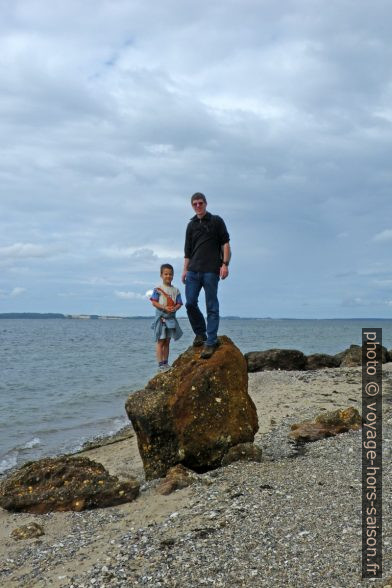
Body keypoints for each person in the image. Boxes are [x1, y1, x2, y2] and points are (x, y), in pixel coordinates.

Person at [182, 192, 231, 359]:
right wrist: (184, 270)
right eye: (195, 204)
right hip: (193, 271)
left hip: (211, 270)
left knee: (211, 307)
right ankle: (200, 333)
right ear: (192, 205)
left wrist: (225, 264)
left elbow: (225, 243)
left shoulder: (216, 221)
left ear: (206, 203)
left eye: (200, 203)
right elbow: (187, 251)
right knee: (189, 303)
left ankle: (211, 342)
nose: (198, 206)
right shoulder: (191, 225)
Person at [150, 264, 183, 371]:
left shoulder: (176, 290)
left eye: (170, 274)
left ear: (173, 275)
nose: (168, 276)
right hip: (161, 319)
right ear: (161, 275)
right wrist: (164, 308)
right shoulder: (158, 289)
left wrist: (175, 308)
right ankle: (160, 364)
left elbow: (179, 303)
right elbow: (154, 302)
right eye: (166, 274)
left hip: (171, 319)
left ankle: (166, 362)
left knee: (167, 341)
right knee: (160, 341)